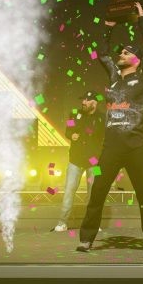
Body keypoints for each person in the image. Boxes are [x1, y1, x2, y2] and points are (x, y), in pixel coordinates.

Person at [77, 2, 143, 252]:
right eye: (122, 52)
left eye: (127, 53)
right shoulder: (114, 77)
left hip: (135, 146)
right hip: (110, 148)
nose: (122, 55)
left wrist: (141, 19)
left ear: (138, 59)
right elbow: (101, 52)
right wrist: (108, 27)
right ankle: (86, 238)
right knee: (97, 192)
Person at [53, 91, 105, 232]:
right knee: (69, 191)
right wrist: (71, 135)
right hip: (75, 160)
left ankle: (93, 224)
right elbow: (67, 131)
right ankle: (62, 223)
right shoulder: (74, 113)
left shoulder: (102, 117)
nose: (83, 102)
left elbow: (105, 138)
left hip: (94, 161)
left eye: (87, 100)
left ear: (94, 102)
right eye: (83, 99)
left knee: (94, 193)